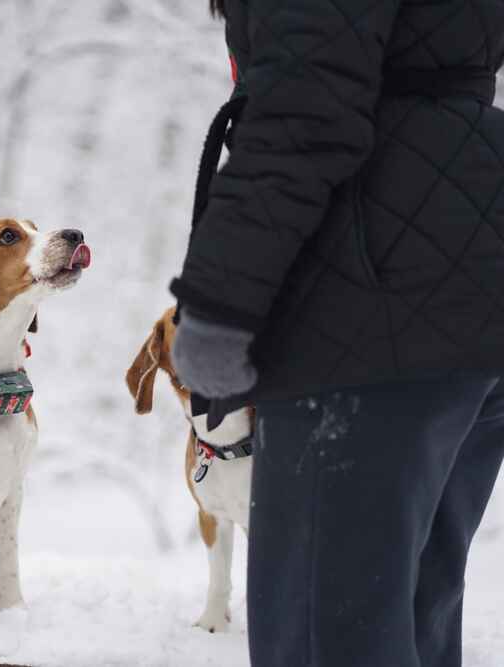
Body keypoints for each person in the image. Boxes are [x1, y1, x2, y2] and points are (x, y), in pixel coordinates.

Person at [168, 1, 504, 666]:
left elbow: (304, 101)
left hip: (366, 301)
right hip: (466, 275)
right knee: (406, 624)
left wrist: (220, 299)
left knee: (325, 639)